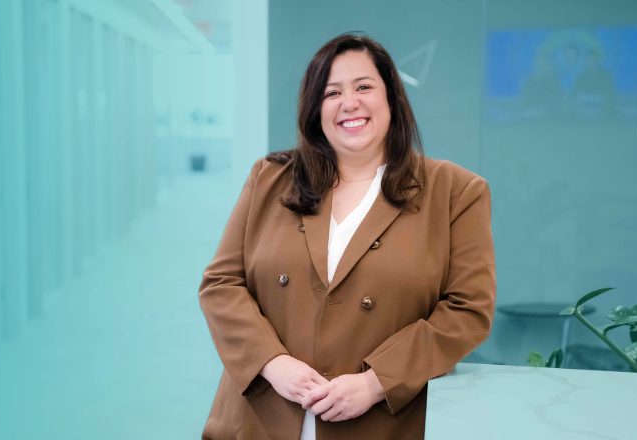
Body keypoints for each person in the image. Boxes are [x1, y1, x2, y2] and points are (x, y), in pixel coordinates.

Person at [198, 32, 496, 440]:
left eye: (364, 87)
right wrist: (271, 362)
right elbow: (220, 284)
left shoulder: (456, 191)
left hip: (379, 422)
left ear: (392, 98)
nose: (349, 103)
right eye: (331, 92)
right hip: (260, 417)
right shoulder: (269, 178)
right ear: (315, 110)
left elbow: (467, 311)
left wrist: (376, 382)